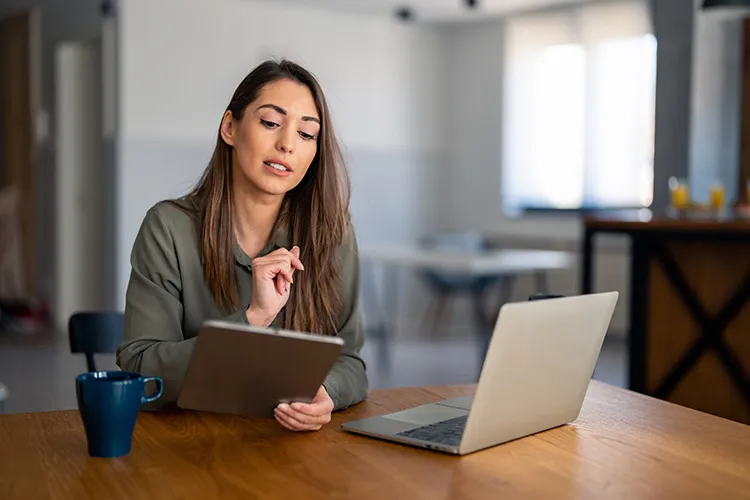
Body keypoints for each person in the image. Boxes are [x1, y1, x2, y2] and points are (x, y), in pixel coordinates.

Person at [116, 59, 368, 431]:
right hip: (187, 446)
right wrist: (252, 320)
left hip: (291, 450)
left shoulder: (333, 231)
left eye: (306, 134)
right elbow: (140, 369)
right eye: (270, 123)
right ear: (230, 127)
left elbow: (350, 361)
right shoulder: (168, 227)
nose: (286, 144)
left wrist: (326, 392)